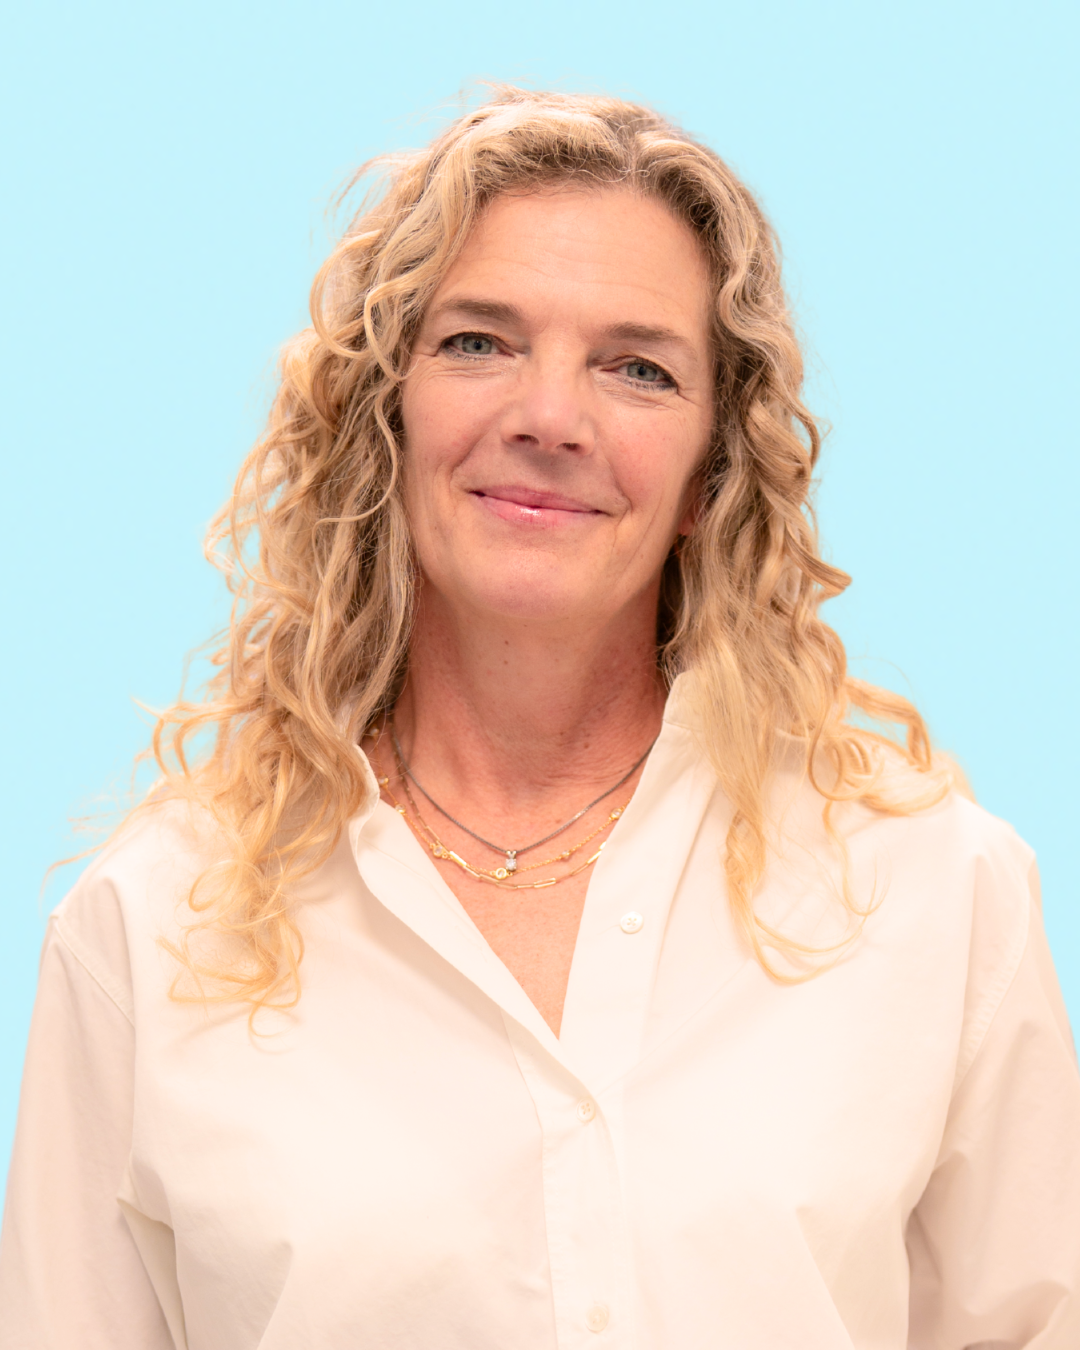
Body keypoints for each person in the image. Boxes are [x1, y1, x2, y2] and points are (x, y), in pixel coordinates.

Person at [1, 85, 1078, 1350]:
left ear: (707, 479)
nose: (549, 418)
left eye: (638, 368)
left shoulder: (935, 895)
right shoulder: (150, 930)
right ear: (381, 417)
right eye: (478, 342)